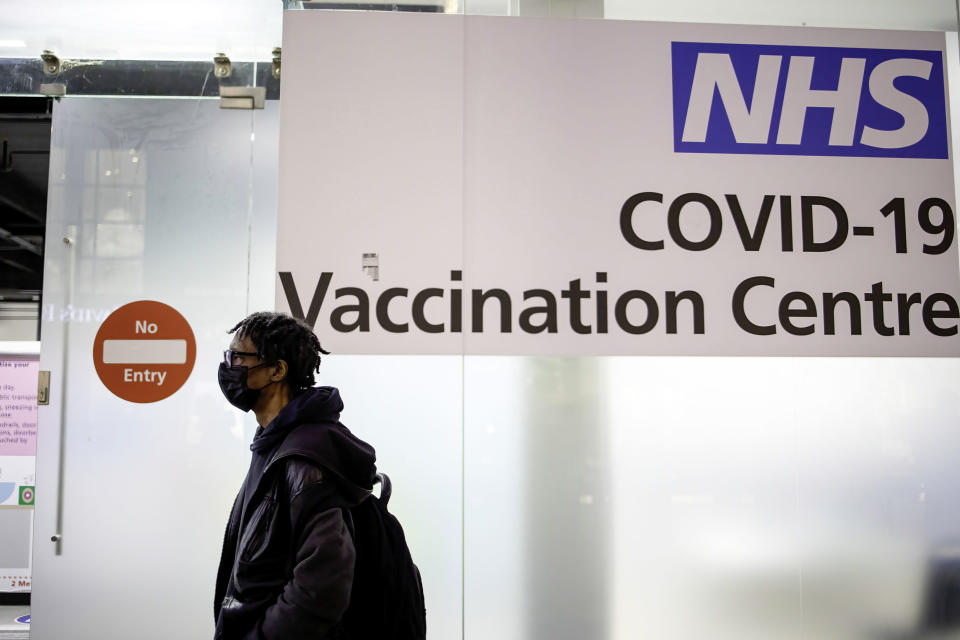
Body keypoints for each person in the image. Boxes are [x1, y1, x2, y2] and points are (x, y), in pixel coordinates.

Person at [213, 311, 377, 640]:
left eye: (237, 357)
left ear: (276, 369)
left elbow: (324, 584)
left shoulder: (304, 458)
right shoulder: (274, 442)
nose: (228, 367)